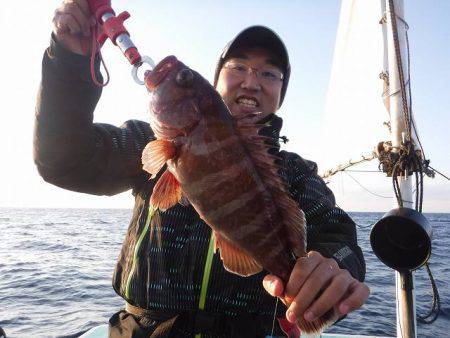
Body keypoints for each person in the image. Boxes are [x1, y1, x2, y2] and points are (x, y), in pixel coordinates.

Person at [34, 1, 369, 337]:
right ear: (215, 82)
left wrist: (333, 269)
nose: (251, 82)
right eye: (238, 67)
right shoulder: (145, 142)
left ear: (281, 93)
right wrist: (70, 61)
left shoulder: (296, 173)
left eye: (269, 73)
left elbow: (338, 235)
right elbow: (62, 159)